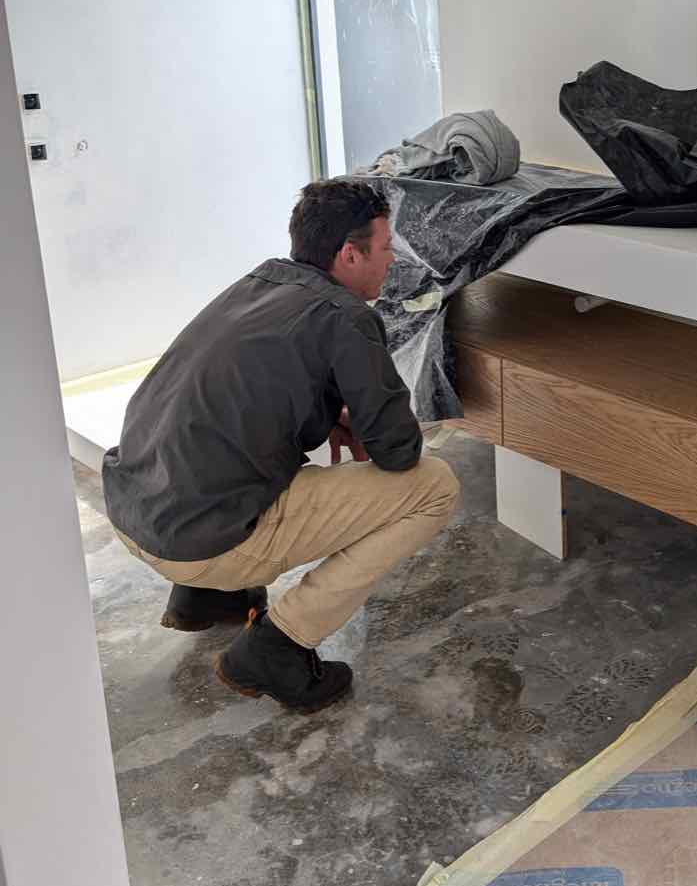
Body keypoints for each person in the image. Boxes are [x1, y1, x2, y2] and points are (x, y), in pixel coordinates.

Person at [103, 178, 460, 715]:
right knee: (435, 487)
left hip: (137, 510)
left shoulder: (257, 283)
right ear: (349, 253)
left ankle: (208, 597)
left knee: (234, 452)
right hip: (201, 544)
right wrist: (364, 413)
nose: (392, 261)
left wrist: (328, 410)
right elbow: (398, 451)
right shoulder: (347, 316)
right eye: (386, 249)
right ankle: (279, 646)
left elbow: (242, 397)